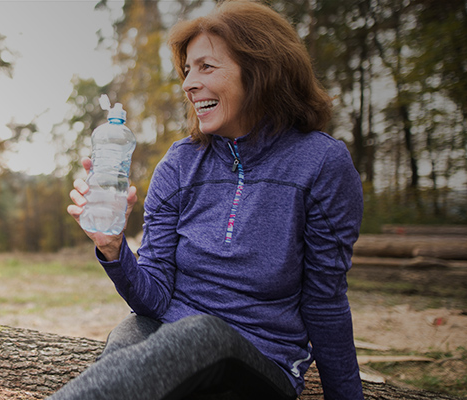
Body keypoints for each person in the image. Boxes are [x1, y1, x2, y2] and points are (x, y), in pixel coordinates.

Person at [57, 1, 363, 399]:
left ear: (260, 70)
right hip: (171, 339)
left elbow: (326, 304)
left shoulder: (321, 163)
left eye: (206, 67)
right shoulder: (180, 164)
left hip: (260, 360)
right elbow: (154, 297)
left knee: (201, 334)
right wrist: (113, 248)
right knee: (132, 331)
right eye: (187, 71)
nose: (187, 84)